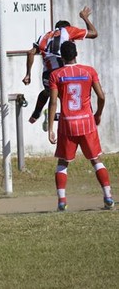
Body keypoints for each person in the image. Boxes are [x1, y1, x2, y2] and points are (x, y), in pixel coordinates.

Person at [47, 41, 114, 212]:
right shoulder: (89, 71)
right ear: (76, 54)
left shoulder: (56, 75)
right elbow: (101, 96)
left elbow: (53, 102)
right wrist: (97, 113)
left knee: (63, 162)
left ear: (61, 57)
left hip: (67, 123)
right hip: (86, 121)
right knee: (95, 160)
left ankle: (62, 201)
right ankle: (108, 197)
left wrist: (50, 128)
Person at [22, 6, 98, 126]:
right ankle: (56, 117)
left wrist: (28, 74)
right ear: (67, 27)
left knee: (48, 92)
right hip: (63, 74)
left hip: (47, 76)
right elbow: (94, 33)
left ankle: (37, 113)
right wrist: (84, 18)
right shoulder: (68, 31)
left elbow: (30, 52)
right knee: (73, 102)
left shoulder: (44, 36)